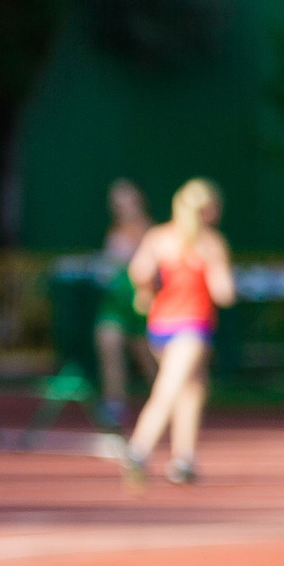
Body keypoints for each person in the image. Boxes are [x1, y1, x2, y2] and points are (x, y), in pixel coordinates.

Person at [120, 177, 235, 488]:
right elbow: (224, 292)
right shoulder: (209, 244)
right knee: (170, 387)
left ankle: (184, 458)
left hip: (161, 326)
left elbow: (138, 272)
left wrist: (147, 291)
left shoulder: (159, 237)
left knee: (193, 388)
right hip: (191, 326)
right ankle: (139, 448)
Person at [92, 180, 157, 428]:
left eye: (126, 201)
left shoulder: (151, 232)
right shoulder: (114, 233)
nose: (121, 208)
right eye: (117, 203)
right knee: (108, 344)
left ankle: (167, 405)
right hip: (115, 305)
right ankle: (114, 404)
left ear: (139, 201)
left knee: (148, 360)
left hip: (141, 307)